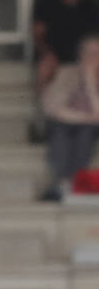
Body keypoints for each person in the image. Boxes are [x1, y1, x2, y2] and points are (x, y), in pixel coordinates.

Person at [41, 34, 99, 200]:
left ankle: (69, 182)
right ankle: (65, 181)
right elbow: (52, 107)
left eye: (98, 53)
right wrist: (85, 117)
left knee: (85, 133)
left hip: (89, 126)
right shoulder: (66, 73)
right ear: (81, 55)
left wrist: (89, 82)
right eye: (90, 52)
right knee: (60, 132)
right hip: (66, 122)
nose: (94, 57)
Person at [34, 0, 99, 89]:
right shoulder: (47, 4)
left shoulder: (90, 6)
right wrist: (47, 53)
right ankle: (43, 107)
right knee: (45, 67)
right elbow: (37, 35)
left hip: (85, 57)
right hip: (56, 57)